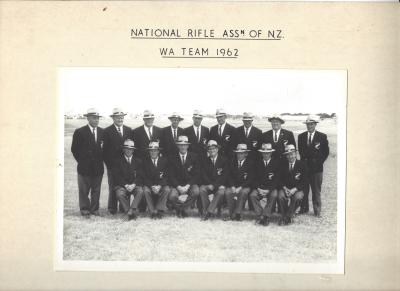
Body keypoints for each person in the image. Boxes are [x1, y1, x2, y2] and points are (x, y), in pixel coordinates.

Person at [71, 108, 104, 217]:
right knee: (84, 190)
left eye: (97, 118)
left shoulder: (102, 132)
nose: (96, 120)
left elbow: (104, 150)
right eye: (94, 118)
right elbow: (74, 149)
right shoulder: (80, 132)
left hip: (98, 168)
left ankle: (95, 210)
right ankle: (85, 210)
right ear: (88, 118)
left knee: (96, 190)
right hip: (84, 168)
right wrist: (82, 161)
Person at [298, 115, 329, 216]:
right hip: (305, 168)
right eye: (308, 124)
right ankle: (304, 208)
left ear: (315, 124)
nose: (309, 126)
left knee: (316, 191)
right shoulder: (301, 136)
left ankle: (317, 210)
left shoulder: (322, 136)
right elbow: (302, 153)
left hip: (317, 169)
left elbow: (326, 152)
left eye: (311, 124)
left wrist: (318, 162)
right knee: (304, 189)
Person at [103, 108, 132, 215]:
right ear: (113, 118)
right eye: (117, 117)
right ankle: (112, 208)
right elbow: (104, 151)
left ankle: (124, 207)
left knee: (126, 186)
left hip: (126, 165)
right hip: (113, 165)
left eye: (121, 117)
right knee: (113, 186)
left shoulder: (129, 130)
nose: (120, 119)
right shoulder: (107, 131)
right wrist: (109, 165)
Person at [168, 136, 201, 218]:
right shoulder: (172, 158)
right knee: (172, 196)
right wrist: (178, 187)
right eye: (181, 145)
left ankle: (183, 208)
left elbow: (196, 174)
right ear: (178, 146)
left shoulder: (194, 157)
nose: (183, 147)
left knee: (196, 192)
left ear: (188, 146)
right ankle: (181, 209)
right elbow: (171, 175)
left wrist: (188, 185)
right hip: (177, 184)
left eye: (185, 145)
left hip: (189, 184)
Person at [113, 139, 145, 221]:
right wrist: (126, 185)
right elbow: (117, 176)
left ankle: (132, 210)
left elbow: (140, 176)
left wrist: (134, 184)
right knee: (119, 194)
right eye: (127, 148)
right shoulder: (117, 161)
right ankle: (128, 211)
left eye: (131, 149)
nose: (128, 150)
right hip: (123, 185)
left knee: (140, 191)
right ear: (123, 149)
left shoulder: (138, 161)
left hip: (134, 185)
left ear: (133, 150)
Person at [249, 143, 280, 226]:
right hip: (259, 188)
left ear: (271, 153)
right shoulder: (257, 163)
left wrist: (268, 190)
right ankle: (260, 215)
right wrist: (259, 189)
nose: (266, 154)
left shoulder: (276, 163)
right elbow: (253, 178)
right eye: (264, 152)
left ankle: (265, 216)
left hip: (270, 188)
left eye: (268, 152)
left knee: (274, 195)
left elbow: (276, 180)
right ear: (261, 153)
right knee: (253, 195)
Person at [277, 144, 308, 225]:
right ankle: (286, 215)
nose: (290, 157)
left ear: (295, 154)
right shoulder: (282, 165)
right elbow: (279, 179)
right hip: (286, 189)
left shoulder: (302, 164)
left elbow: (305, 181)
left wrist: (295, 189)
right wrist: (284, 188)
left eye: (292, 154)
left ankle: (287, 217)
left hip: (297, 189)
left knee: (298, 197)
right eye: (288, 155)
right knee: (280, 196)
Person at [199, 140, 229, 221]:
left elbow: (224, 176)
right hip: (208, 184)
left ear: (217, 149)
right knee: (202, 189)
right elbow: (203, 175)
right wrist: (209, 184)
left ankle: (208, 212)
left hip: (219, 184)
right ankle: (208, 210)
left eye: (214, 148)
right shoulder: (205, 160)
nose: (212, 150)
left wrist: (215, 185)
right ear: (208, 150)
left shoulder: (224, 160)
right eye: (210, 149)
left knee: (221, 192)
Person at [225, 144, 255, 221]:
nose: (239, 155)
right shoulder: (232, 162)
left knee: (243, 192)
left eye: (242, 153)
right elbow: (229, 176)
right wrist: (232, 186)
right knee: (228, 192)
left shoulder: (251, 163)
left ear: (246, 154)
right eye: (238, 153)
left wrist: (240, 187)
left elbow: (250, 179)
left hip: (245, 186)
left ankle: (238, 214)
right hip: (234, 185)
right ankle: (231, 214)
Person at [142, 141, 170, 219]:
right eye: (151, 150)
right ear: (149, 151)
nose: (153, 152)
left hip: (160, 185)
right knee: (145, 190)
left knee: (167, 189)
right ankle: (152, 211)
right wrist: (152, 186)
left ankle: (159, 209)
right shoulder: (144, 162)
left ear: (158, 151)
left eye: (155, 150)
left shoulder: (164, 161)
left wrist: (160, 186)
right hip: (150, 185)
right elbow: (144, 177)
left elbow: (167, 176)